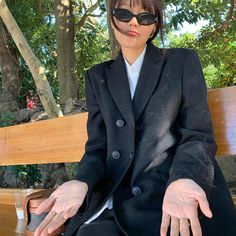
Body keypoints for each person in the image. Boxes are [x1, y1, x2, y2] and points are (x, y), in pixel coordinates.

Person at [34, 0, 236, 235]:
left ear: (154, 27)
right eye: (124, 13)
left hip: (172, 189)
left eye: (145, 17)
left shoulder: (182, 62)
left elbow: (197, 135)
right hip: (119, 193)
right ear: (112, 19)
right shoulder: (98, 77)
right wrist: (82, 181)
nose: (133, 22)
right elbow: (98, 146)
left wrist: (185, 177)